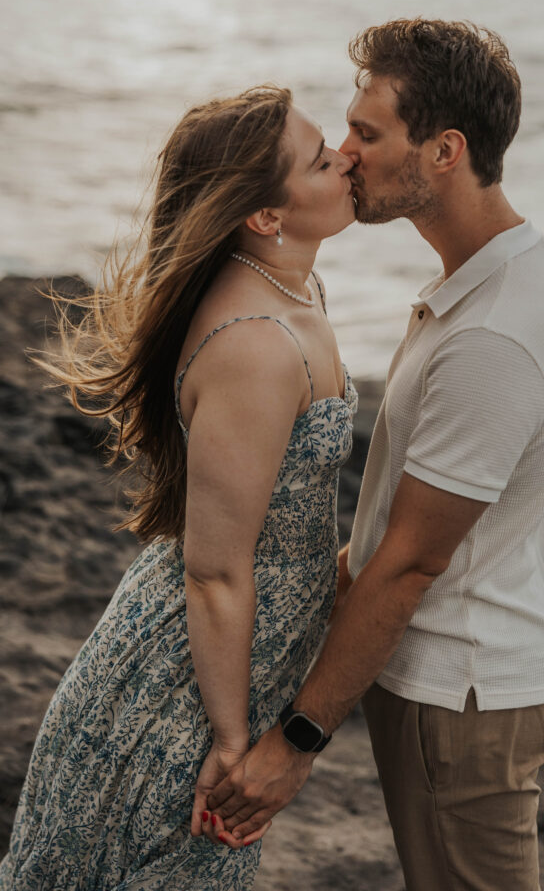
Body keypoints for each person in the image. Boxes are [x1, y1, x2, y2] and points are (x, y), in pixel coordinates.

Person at [205, 20, 544, 891]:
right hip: (453, 678)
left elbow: (410, 563)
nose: (345, 155)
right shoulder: (481, 281)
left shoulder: (494, 333)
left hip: (466, 689)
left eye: (368, 134)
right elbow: (389, 534)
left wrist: (297, 742)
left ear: (444, 150)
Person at [0, 85, 358, 890]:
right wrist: (232, 743)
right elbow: (215, 569)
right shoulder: (256, 344)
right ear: (266, 216)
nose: (345, 158)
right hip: (181, 692)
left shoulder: (296, 292)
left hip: (231, 664)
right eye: (319, 159)